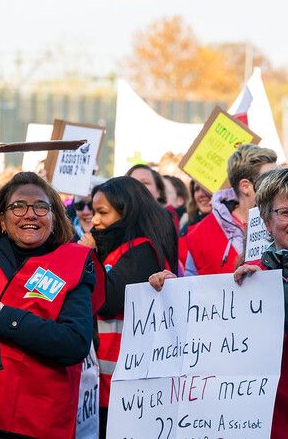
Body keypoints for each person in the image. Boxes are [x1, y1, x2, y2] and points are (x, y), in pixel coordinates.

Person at [151, 166, 288, 439]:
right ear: (266, 222)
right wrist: (173, 295)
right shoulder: (252, 269)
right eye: (287, 212)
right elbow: (213, 339)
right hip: (256, 425)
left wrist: (277, 287)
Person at [0, 136, 104, 439]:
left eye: (40, 207)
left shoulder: (74, 262)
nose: (30, 214)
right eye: (18, 206)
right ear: (3, 219)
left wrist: (3, 320)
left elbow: (73, 343)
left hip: (34, 423)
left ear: (54, 217)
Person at [77, 176, 178, 437]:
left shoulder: (142, 251)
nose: (94, 220)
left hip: (124, 385)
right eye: (94, 211)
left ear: (126, 213)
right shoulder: (115, 250)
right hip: (105, 382)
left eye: (103, 213)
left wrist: (87, 254)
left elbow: (108, 300)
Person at [183, 144, 277, 276]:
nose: (279, 185)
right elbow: (189, 287)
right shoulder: (199, 236)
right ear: (245, 186)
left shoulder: (286, 223)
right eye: (270, 180)